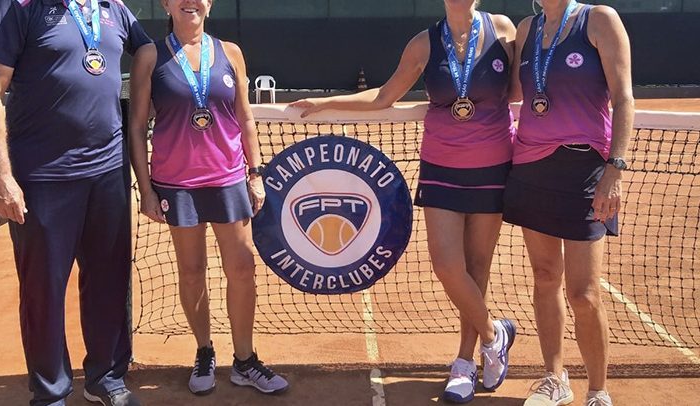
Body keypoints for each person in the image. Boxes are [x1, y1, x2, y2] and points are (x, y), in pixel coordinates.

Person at [291, 0, 517, 402]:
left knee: (477, 267)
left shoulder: (503, 30)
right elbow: (384, 97)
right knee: (447, 265)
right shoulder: (423, 44)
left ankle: (465, 362)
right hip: (441, 166)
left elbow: (520, 89)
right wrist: (325, 102)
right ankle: (494, 334)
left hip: (493, 164)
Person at [0, 0, 152, 404]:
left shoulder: (113, 7)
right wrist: (0, 176)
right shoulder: (19, 6)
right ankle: (51, 392)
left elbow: (146, 48)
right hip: (43, 176)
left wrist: (148, 91)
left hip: (108, 171)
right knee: (44, 290)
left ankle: (105, 377)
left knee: (109, 280)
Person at [127, 0, 289, 396]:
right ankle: (204, 351)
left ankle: (245, 360)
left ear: (210, 4)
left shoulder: (231, 52)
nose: (190, 2)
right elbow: (136, 126)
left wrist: (255, 174)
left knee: (242, 268)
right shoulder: (149, 56)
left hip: (228, 179)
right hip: (177, 184)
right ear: (166, 4)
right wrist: (146, 190)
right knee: (192, 271)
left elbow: (245, 117)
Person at [505, 1, 633, 405]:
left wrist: (614, 168)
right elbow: (511, 91)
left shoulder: (599, 20)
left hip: (585, 169)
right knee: (545, 277)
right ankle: (554, 378)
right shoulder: (526, 29)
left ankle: (598, 390)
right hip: (531, 166)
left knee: (584, 293)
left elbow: (624, 97)